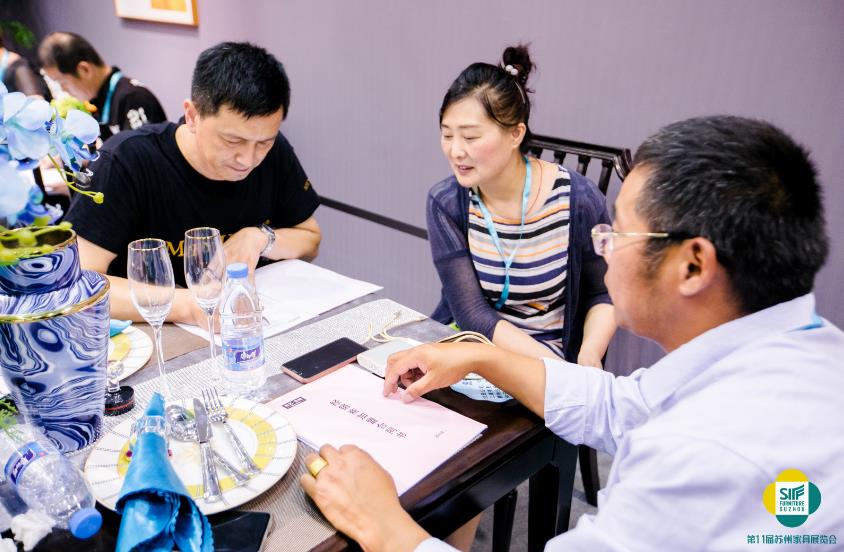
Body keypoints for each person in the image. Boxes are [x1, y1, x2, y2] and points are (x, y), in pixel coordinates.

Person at [299, 116, 844, 550]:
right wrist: (483, 359)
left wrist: (386, 528)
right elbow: (624, 405)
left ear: (693, 265)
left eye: (619, 233)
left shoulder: (697, 459)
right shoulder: (802, 349)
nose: (604, 248)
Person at [63, 42, 321, 328]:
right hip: (155, 332)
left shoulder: (274, 153)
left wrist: (260, 238)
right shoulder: (126, 161)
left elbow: (310, 239)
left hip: (251, 326)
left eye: (263, 142)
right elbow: (78, 283)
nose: (248, 159)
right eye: (233, 140)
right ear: (192, 116)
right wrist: (188, 305)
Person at [428, 45, 616, 367]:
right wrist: (560, 370)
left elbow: (603, 291)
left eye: (470, 138)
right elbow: (472, 314)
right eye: (447, 135)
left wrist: (587, 355)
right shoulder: (447, 203)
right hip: (475, 351)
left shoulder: (579, 200)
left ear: (515, 134)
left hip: (552, 356)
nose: (456, 151)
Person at [38, 32, 165, 141]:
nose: (63, 90)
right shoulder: (97, 100)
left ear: (84, 70)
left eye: (62, 82)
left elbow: (143, 157)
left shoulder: (133, 98)